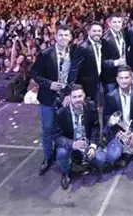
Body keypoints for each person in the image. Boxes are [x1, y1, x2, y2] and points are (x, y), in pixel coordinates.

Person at [30, 25, 73, 176]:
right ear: (55, 37)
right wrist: (49, 84)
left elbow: (75, 75)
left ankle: (66, 156)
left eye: (66, 35)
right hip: (48, 97)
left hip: (66, 97)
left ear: (70, 37)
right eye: (61, 35)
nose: (63, 38)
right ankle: (48, 157)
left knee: (65, 128)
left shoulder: (74, 53)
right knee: (47, 129)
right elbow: (35, 73)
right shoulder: (45, 54)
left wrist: (69, 93)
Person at [54, 84, 106, 190]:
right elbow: (56, 137)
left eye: (80, 96)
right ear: (69, 97)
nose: (78, 99)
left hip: (86, 140)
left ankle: (89, 163)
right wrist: (72, 144)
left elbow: (95, 127)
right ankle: (66, 172)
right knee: (61, 153)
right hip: (70, 141)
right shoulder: (61, 112)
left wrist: (93, 146)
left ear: (84, 95)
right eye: (74, 97)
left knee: (101, 158)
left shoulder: (91, 106)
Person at [69, 22, 104, 104]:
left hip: (97, 82)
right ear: (88, 32)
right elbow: (74, 68)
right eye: (94, 31)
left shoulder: (101, 44)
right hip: (86, 85)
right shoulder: (83, 47)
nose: (97, 33)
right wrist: (71, 87)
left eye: (99, 31)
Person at [101, 13, 128, 93]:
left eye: (119, 22)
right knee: (111, 98)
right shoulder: (104, 39)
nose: (117, 24)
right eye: (114, 22)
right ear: (110, 23)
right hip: (111, 78)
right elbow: (102, 62)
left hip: (123, 73)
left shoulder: (123, 33)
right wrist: (116, 62)